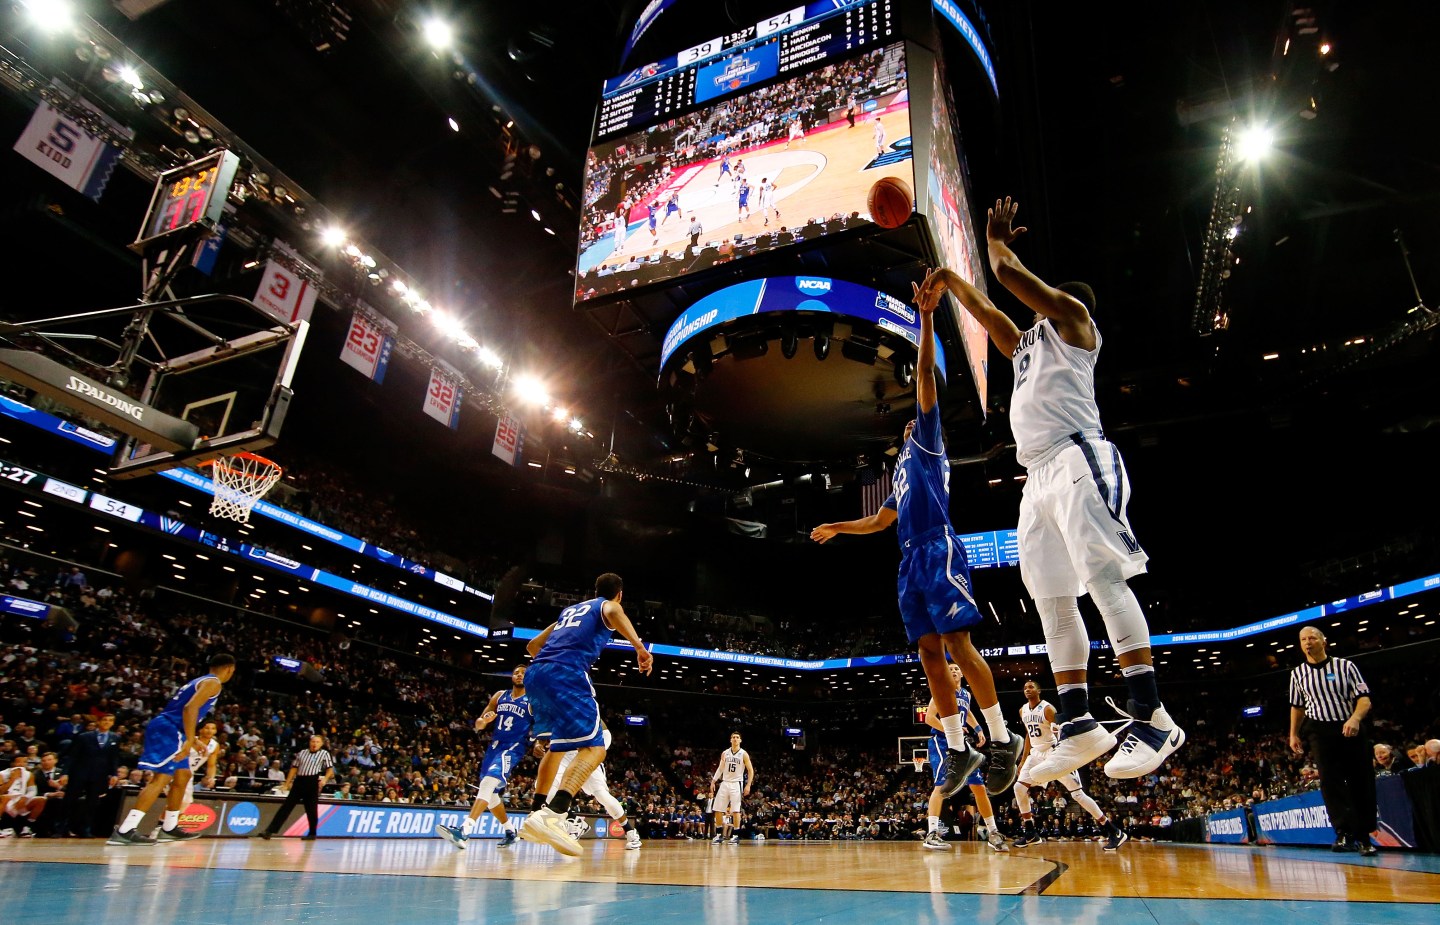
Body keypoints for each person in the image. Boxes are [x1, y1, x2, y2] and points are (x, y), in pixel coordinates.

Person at [926, 196, 1185, 783]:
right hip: (1037, 477)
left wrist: (994, 243)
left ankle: (1153, 716)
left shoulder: (1074, 322)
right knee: (1051, 598)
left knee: (1104, 580)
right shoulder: (1025, 348)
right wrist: (948, 280)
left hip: (1077, 457)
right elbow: (987, 309)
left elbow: (1008, 278)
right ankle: (1078, 722)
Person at [811, 269, 1022, 799]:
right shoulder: (901, 475)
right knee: (929, 653)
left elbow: (925, 374)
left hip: (936, 546)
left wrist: (926, 320)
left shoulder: (928, 443)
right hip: (908, 560)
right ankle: (958, 747)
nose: (909, 423)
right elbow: (880, 521)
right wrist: (838, 527)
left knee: (957, 643)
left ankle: (1002, 738)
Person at [518, 572, 653, 855]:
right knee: (595, 748)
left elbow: (532, 646)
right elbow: (613, 611)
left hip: (535, 674)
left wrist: (550, 667)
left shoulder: (568, 613)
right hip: (566, 673)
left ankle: (536, 811)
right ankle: (554, 814)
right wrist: (640, 648)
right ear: (619, 594)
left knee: (555, 748)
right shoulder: (607, 605)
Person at [108, 653, 236, 845]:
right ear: (229, 669)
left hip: (173, 729)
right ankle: (125, 830)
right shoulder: (213, 683)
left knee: (183, 776)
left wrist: (192, 740)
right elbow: (190, 708)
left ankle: (169, 827)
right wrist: (190, 739)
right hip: (169, 729)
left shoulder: (199, 680)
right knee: (161, 778)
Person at [1288, 625, 1377, 856]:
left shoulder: (1346, 666)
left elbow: (1364, 699)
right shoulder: (1297, 674)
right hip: (1319, 731)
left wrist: (1355, 718)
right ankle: (1343, 832)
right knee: (1330, 783)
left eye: (1312, 638)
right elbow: (1297, 707)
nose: (1308, 642)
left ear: (1323, 641)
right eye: (1303, 639)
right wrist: (1293, 734)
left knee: (1360, 780)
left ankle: (1364, 836)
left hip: (1349, 727)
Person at [1011, 680, 1128, 850]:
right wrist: (1023, 760)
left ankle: (1113, 831)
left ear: (1039, 690)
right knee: (1019, 788)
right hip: (1035, 754)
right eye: (1025, 688)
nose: (1027, 690)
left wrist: (1063, 752)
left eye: (1031, 687)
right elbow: (1028, 734)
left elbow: (1061, 730)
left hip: (1053, 752)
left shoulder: (1047, 709)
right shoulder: (1022, 710)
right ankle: (1030, 832)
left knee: (1078, 795)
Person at [437, 664, 533, 849]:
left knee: (488, 783)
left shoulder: (533, 700)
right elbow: (479, 725)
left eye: (523, 673)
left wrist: (538, 742)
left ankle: (464, 831)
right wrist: (484, 721)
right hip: (494, 747)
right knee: (492, 794)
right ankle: (510, 832)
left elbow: (542, 723)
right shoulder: (499, 696)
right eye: (516, 673)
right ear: (511, 677)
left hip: (513, 747)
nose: (519, 675)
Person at [922, 665, 1007, 852]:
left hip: (961, 744)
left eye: (956, 668)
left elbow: (966, 712)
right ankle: (932, 833)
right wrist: (952, 730)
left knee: (979, 787)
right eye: (949, 668)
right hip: (942, 742)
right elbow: (929, 718)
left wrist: (978, 728)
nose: (953, 670)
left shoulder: (966, 694)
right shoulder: (942, 690)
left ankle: (993, 832)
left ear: (961, 673)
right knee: (941, 785)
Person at [546, 720, 643, 850]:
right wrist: (539, 744)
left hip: (588, 751)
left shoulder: (585, 709)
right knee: (547, 789)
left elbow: (606, 734)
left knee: (602, 795)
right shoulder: (550, 710)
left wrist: (595, 751)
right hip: (565, 752)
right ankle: (575, 823)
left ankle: (630, 832)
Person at [257, 735, 335, 840]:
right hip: (299, 781)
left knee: (311, 809)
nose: (314, 744)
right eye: (313, 741)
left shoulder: (324, 754)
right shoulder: (302, 753)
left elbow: (330, 769)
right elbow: (294, 768)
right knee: (286, 807)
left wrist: (325, 779)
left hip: (312, 782)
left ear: (321, 744)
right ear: (309, 742)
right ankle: (269, 831)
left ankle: (312, 833)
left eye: (317, 742)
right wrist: (286, 784)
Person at [66, 713, 119, 837]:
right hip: (79, 773)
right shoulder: (84, 736)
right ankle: (62, 828)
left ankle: (85, 830)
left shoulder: (115, 738)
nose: (107, 722)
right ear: (98, 721)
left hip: (99, 775)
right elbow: (72, 756)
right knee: (69, 801)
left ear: (113, 723)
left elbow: (114, 758)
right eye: (104, 719)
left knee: (92, 803)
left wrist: (114, 774)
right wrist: (65, 773)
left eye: (110, 720)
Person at [708, 731, 754, 844]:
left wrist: (748, 785)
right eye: (733, 737)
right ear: (730, 740)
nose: (735, 739)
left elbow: (750, 770)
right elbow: (720, 768)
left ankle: (736, 835)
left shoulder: (743, 754)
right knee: (718, 809)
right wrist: (713, 781)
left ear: (740, 740)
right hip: (725, 782)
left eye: (737, 737)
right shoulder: (725, 753)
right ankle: (719, 834)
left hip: (737, 783)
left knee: (735, 810)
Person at [181, 721, 219, 807]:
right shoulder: (190, 740)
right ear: (200, 730)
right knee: (175, 800)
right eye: (207, 728)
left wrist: (211, 777)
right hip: (176, 769)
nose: (210, 731)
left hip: (189, 773)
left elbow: (211, 765)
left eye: (213, 728)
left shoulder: (214, 745)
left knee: (186, 803)